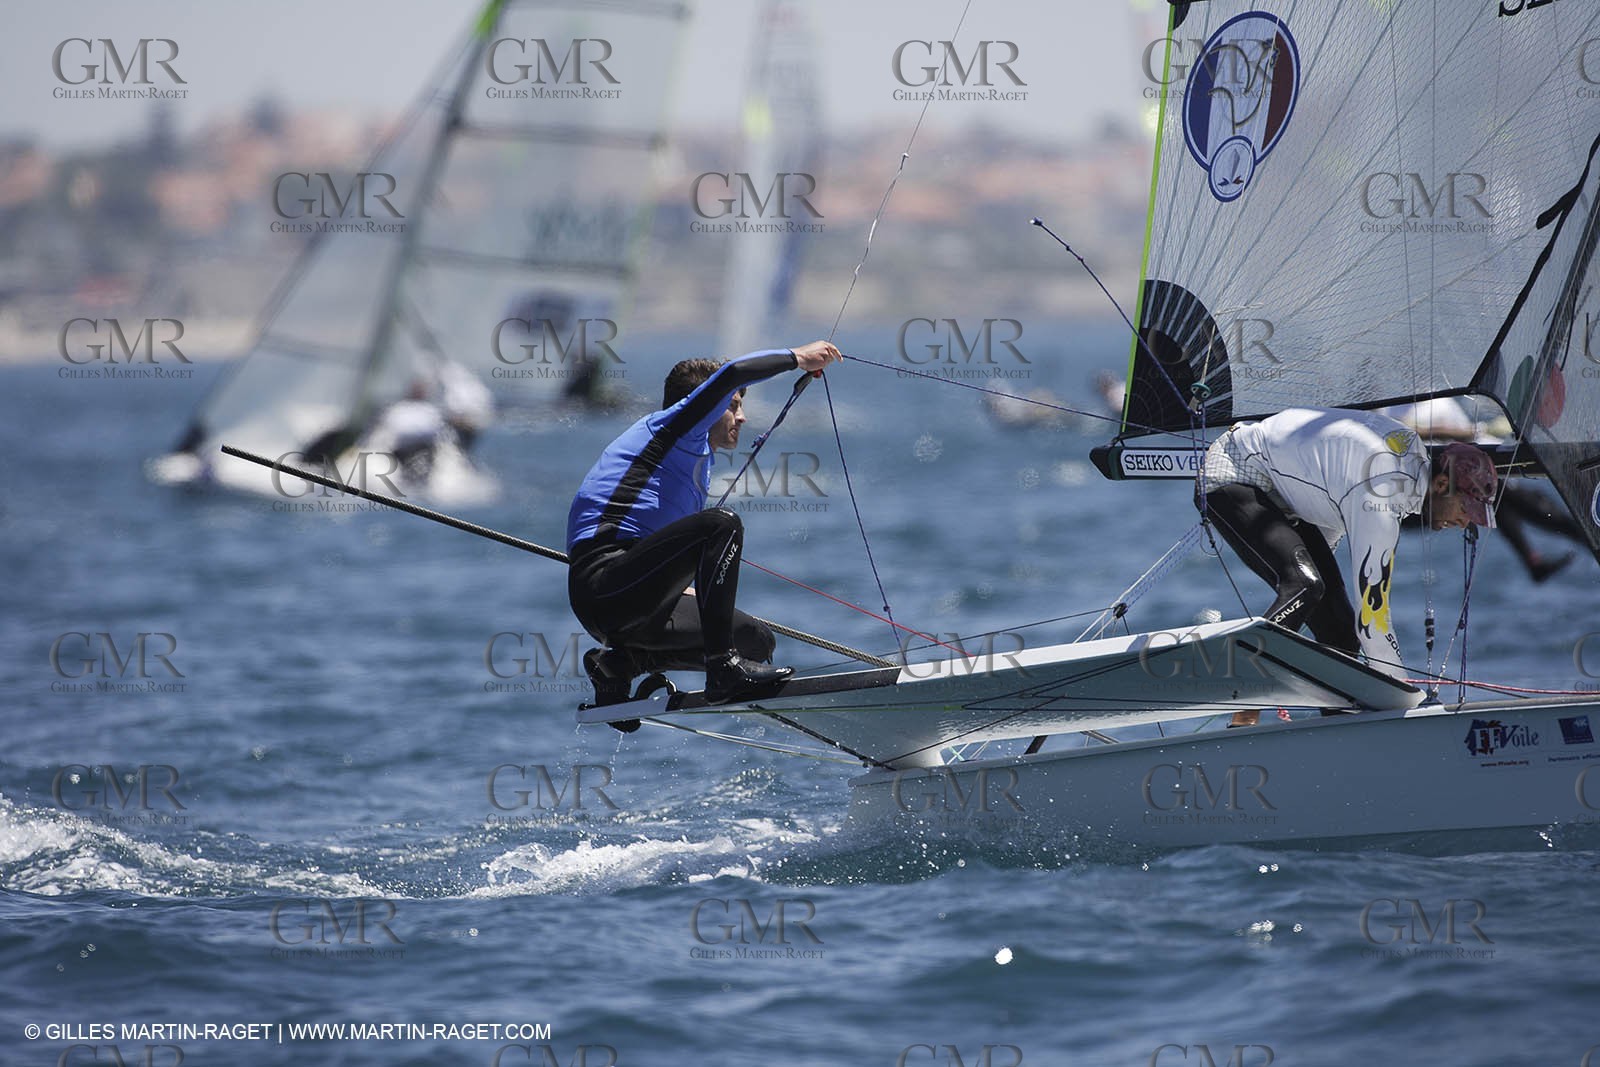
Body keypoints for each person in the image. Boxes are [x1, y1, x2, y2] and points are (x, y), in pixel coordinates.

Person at [567, 341, 843, 717]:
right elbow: (732, 373)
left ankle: (621, 666)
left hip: (639, 603)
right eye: (732, 406)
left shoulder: (690, 462)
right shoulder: (671, 428)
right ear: (704, 404)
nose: (742, 417)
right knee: (721, 525)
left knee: (755, 642)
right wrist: (797, 358)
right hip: (604, 587)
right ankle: (723, 670)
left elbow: (662, 549)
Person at [1194, 407, 1498, 726]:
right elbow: (1374, 620)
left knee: (1340, 631)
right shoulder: (1385, 489)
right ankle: (1245, 703)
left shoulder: (1408, 471)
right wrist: (1403, 704)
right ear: (1440, 484)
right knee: (1305, 587)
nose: (1465, 522)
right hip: (1234, 471)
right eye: (1466, 508)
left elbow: (1331, 498)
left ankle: (1337, 731)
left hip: (1282, 494)